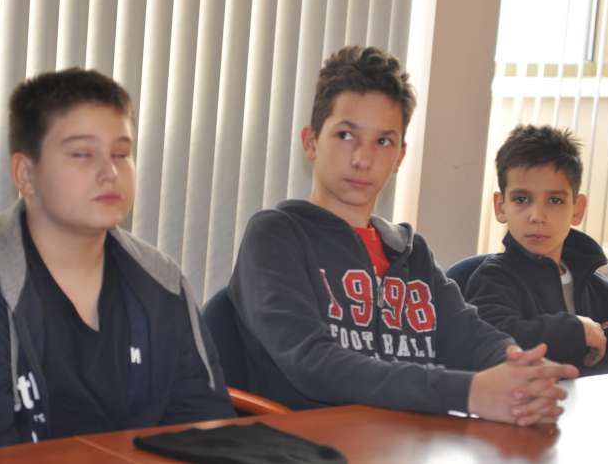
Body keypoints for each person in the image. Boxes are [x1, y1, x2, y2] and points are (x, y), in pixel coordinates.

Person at [229, 46, 578, 426]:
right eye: (346, 135)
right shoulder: (276, 237)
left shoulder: (411, 254)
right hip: (309, 441)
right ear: (311, 141)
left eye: (383, 142)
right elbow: (314, 362)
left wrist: (522, 371)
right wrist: (468, 392)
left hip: (410, 440)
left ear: (400, 156)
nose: (363, 159)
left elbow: (469, 335)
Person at [0, 69, 234, 461]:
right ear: (26, 174)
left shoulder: (162, 283)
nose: (110, 172)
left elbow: (205, 429)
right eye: (82, 154)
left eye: (121, 154)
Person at [464, 124, 608, 373]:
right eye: (521, 199)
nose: (537, 216)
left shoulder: (604, 293)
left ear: (577, 209)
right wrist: (574, 330)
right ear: (501, 207)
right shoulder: (492, 280)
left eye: (555, 200)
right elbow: (489, 344)